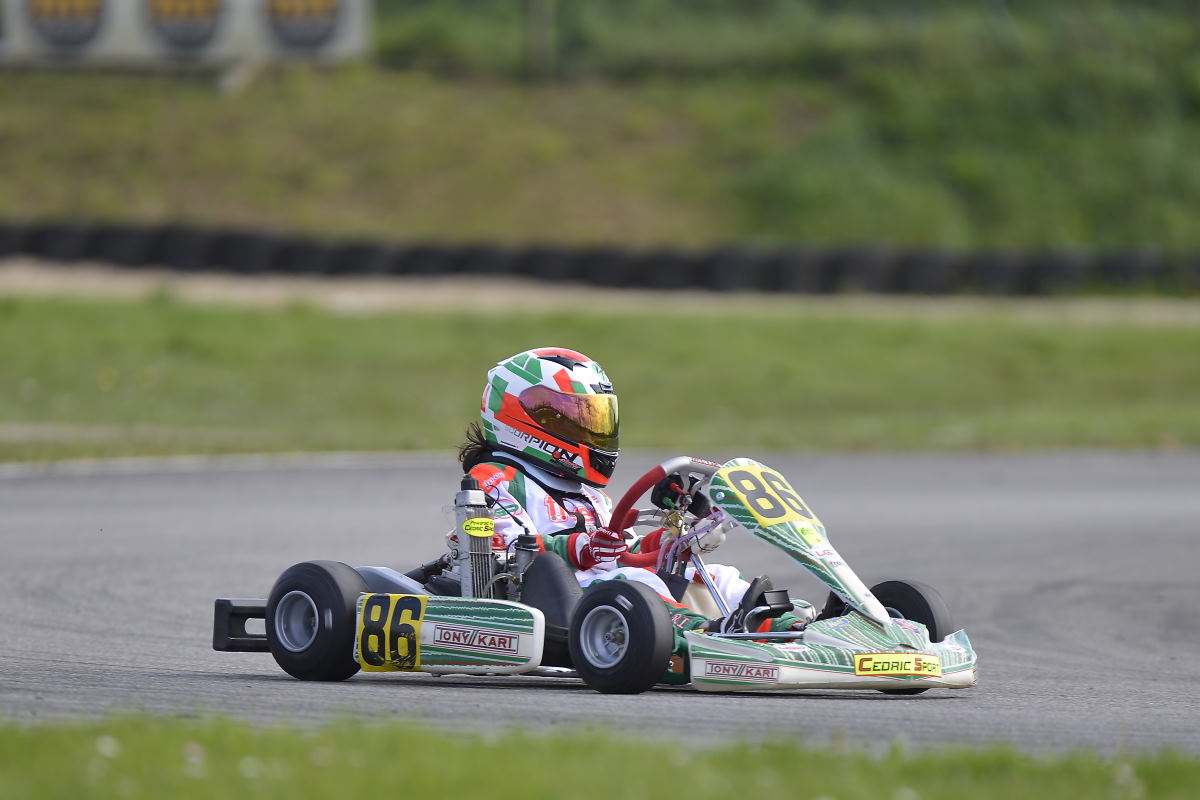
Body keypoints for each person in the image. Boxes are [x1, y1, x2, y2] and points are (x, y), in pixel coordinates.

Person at [456, 346, 810, 638]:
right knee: (635, 582)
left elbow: (624, 552)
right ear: (530, 419)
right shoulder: (494, 479)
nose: (590, 429)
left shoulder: (585, 493)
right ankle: (705, 637)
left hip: (604, 588)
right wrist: (582, 547)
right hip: (550, 600)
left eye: (595, 419)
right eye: (576, 418)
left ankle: (786, 624)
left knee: (716, 575)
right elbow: (510, 550)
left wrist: (680, 539)